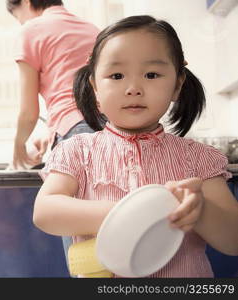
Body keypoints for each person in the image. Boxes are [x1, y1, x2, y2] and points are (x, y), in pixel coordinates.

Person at [33, 15, 238, 277]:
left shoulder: (199, 159)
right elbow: (44, 211)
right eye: (116, 75)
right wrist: (124, 213)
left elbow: (233, 241)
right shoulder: (77, 151)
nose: (133, 88)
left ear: (177, 84)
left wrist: (200, 209)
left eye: (151, 74)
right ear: (95, 87)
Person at [6, 0, 100, 169]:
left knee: (62, 196)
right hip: (113, 127)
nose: (21, 23)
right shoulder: (92, 29)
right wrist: (51, 134)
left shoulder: (30, 30)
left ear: (26, 2)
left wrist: (18, 145)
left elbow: (29, 113)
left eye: (18, 17)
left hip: (75, 132)